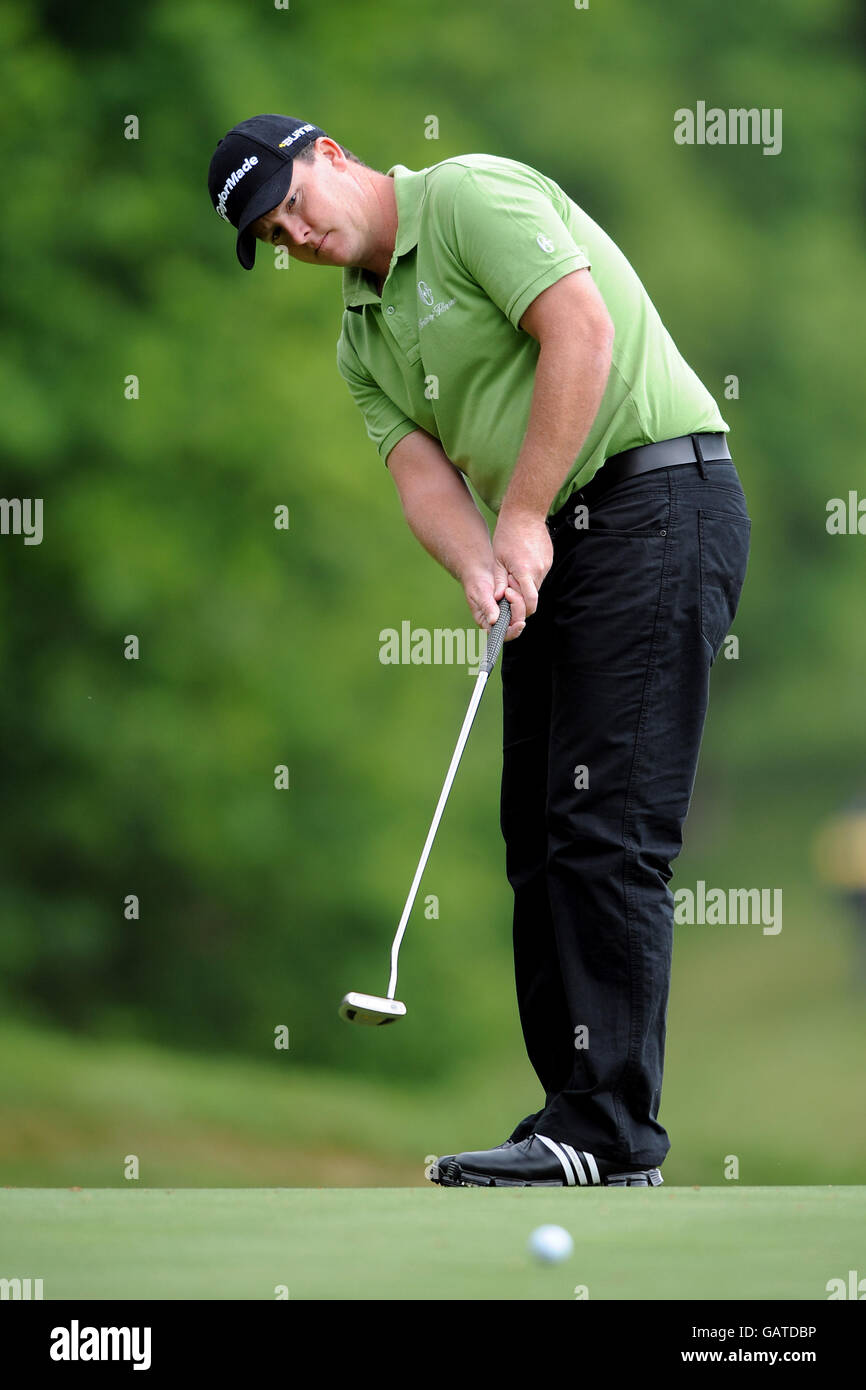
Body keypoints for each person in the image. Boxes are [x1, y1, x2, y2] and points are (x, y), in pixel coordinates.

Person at [207, 114, 752, 1188]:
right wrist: (477, 561)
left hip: (655, 500)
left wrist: (524, 515)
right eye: (272, 234)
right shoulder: (360, 338)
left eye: (291, 202)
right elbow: (422, 478)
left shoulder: (467, 198)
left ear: (330, 156)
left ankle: (610, 1134)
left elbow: (580, 331)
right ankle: (571, 1122)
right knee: (536, 838)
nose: (294, 235)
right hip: (557, 541)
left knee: (605, 827)